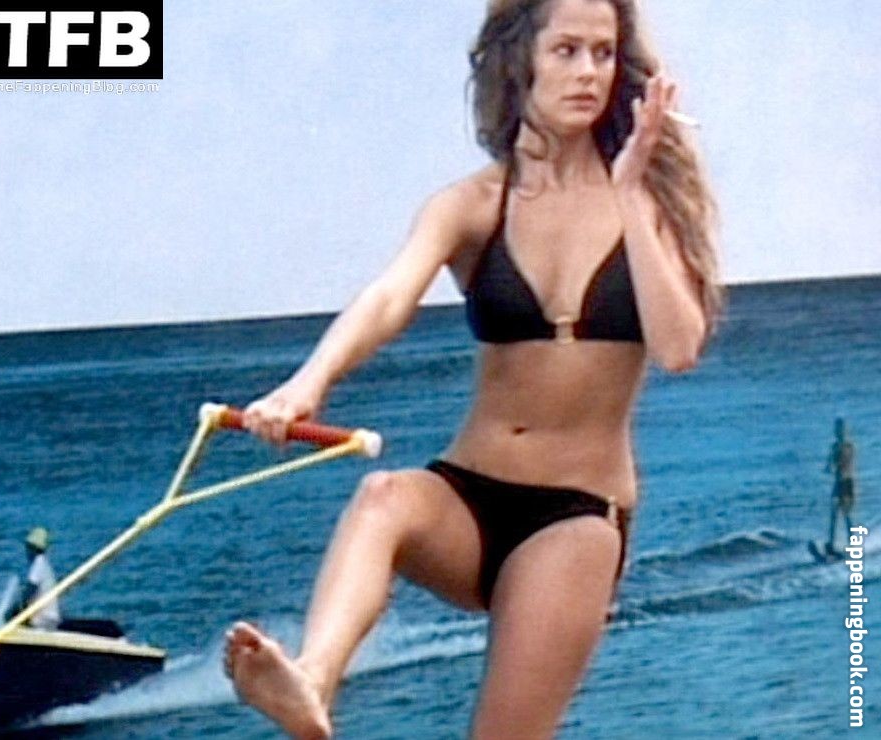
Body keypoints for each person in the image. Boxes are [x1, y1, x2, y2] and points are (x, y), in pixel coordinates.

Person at [225, 0, 722, 737]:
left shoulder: (645, 201)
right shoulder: (471, 205)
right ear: (522, 61)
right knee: (382, 496)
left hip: (575, 518)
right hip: (466, 496)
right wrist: (307, 385)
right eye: (567, 50)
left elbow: (679, 347)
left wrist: (627, 190)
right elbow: (388, 297)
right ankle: (313, 682)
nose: (589, 72)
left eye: (604, 53)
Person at [14, 526, 62, 630]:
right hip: (48, 617)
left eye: (28, 547)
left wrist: (20, 605)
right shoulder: (44, 563)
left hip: (43, 618)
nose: (26, 551)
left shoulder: (38, 563)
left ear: (34, 548)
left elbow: (31, 587)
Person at [825, 417, 856, 552]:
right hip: (838, 483)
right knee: (834, 514)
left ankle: (853, 543)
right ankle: (831, 544)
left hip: (846, 483)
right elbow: (829, 464)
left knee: (846, 514)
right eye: (836, 429)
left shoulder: (848, 446)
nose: (837, 432)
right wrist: (828, 467)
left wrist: (835, 464)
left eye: (840, 429)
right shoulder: (834, 447)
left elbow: (846, 462)